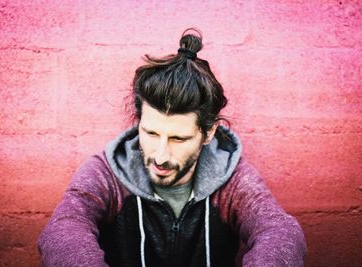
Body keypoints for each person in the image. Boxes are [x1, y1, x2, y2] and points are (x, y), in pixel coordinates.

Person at [38, 28, 307, 267]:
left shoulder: (232, 180)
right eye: (151, 133)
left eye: (178, 139)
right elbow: (65, 228)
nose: (160, 155)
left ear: (208, 133)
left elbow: (279, 231)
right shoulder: (107, 173)